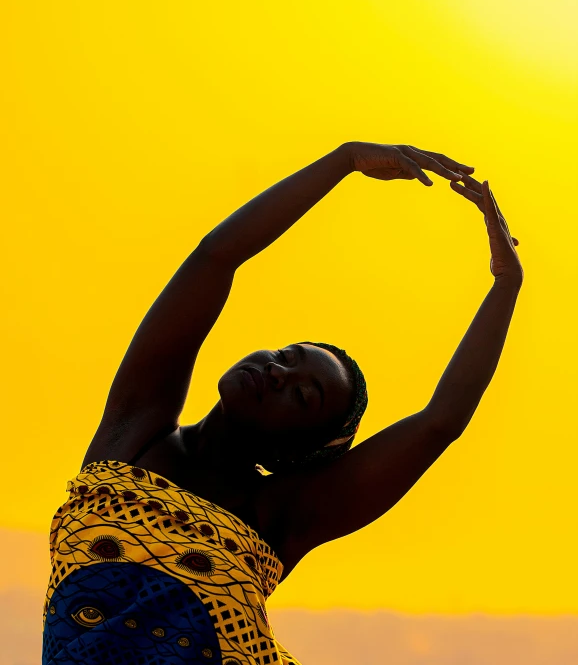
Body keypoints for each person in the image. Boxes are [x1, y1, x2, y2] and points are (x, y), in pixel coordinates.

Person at [42, 141, 523, 664]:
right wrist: (343, 161)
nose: (277, 373)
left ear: (302, 447)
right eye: (287, 356)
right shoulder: (133, 431)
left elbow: (439, 422)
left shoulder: (280, 515)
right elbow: (216, 257)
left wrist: (505, 286)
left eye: (302, 394)